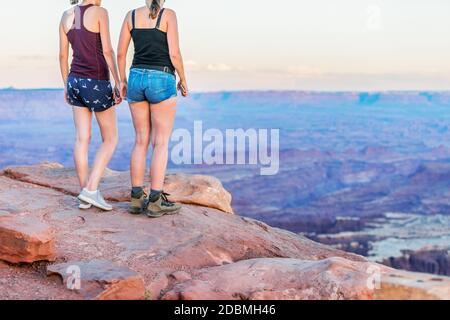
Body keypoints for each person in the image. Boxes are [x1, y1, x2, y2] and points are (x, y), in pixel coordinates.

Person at [117, 0, 188, 218]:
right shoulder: (168, 15)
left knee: (140, 140)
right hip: (162, 77)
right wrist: (183, 79)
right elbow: (174, 53)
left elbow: (120, 54)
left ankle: (137, 198)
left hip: (136, 77)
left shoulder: (130, 16)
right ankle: (156, 201)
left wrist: (122, 81)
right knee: (161, 142)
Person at [59, 0, 121, 211]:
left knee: (82, 138)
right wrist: (119, 80)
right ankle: (91, 189)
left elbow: (62, 55)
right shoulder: (100, 12)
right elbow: (107, 51)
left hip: (74, 80)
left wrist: (66, 85)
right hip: (96, 81)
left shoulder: (66, 15)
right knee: (111, 138)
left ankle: (84, 194)